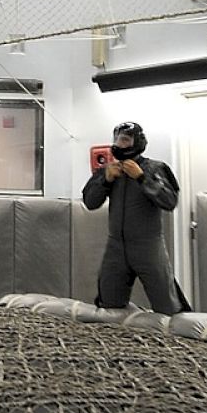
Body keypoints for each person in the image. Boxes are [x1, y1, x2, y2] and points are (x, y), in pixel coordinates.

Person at [82, 121, 190, 315]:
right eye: (117, 140)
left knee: (168, 306)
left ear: (137, 142)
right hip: (115, 247)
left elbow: (169, 201)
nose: (120, 144)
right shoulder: (108, 171)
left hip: (148, 247)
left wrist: (142, 178)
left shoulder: (156, 168)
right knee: (108, 304)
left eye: (125, 140)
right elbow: (90, 202)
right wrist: (105, 180)